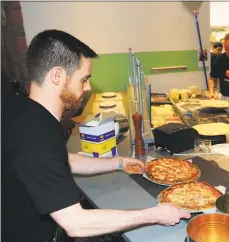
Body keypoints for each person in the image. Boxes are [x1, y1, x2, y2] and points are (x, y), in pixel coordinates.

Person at [1, 29, 190, 242]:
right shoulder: (36, 137)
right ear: (57, 76)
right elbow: (76, 223)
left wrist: (118, 163)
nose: (88, 87)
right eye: (83, 79)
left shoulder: (27, 112)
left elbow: (61, 159)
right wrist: (154, 214)